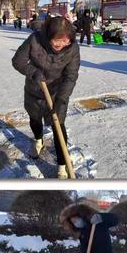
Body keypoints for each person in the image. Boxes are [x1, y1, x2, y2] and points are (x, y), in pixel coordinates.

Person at [12, 17, 80, 179]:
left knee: (58, 126)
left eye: (66, 41)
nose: (62, 45)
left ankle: (62, 166)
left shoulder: (73, 49)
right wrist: (34, 72)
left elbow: (71, 76)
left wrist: (62, 99)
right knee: (35, 119)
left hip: (57, 93)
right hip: (35, 90)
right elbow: (18, 61)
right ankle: (38, 140)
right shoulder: (35, 39)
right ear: (49, 36)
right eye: (58, 41)